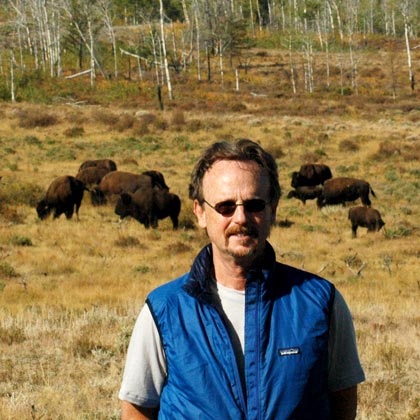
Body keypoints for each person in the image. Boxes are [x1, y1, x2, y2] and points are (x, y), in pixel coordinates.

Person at [119, 139, 365, 420]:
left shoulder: (321, 302)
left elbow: (343, 401)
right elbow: (137, 408)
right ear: (200, 212)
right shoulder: (164, 310)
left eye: (254, 204)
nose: (241, 218)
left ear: (273, 209)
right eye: (225, 206)